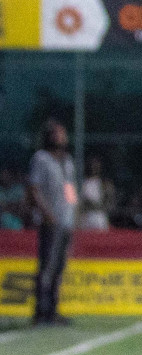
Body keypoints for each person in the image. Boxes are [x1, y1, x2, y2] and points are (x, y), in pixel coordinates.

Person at [25, 120, 77, 325]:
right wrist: (46, 214)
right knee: (46, 266)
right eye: (59, 133)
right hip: (51, 221)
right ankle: (41, 312)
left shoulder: (67, 161)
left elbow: (70, 188)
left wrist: (74, 212)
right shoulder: (41, 159)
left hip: (66, 222)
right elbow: (34, 188)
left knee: (59, 268)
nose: (63, 137)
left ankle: (53, 310)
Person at [77, 157, 115, 231]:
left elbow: (110, 201)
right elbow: (80, 203)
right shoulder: (83, 183)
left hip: (100, 217)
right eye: (93, 165)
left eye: (97, 165)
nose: (95, 167)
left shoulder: (104, 183)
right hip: (87, 217)